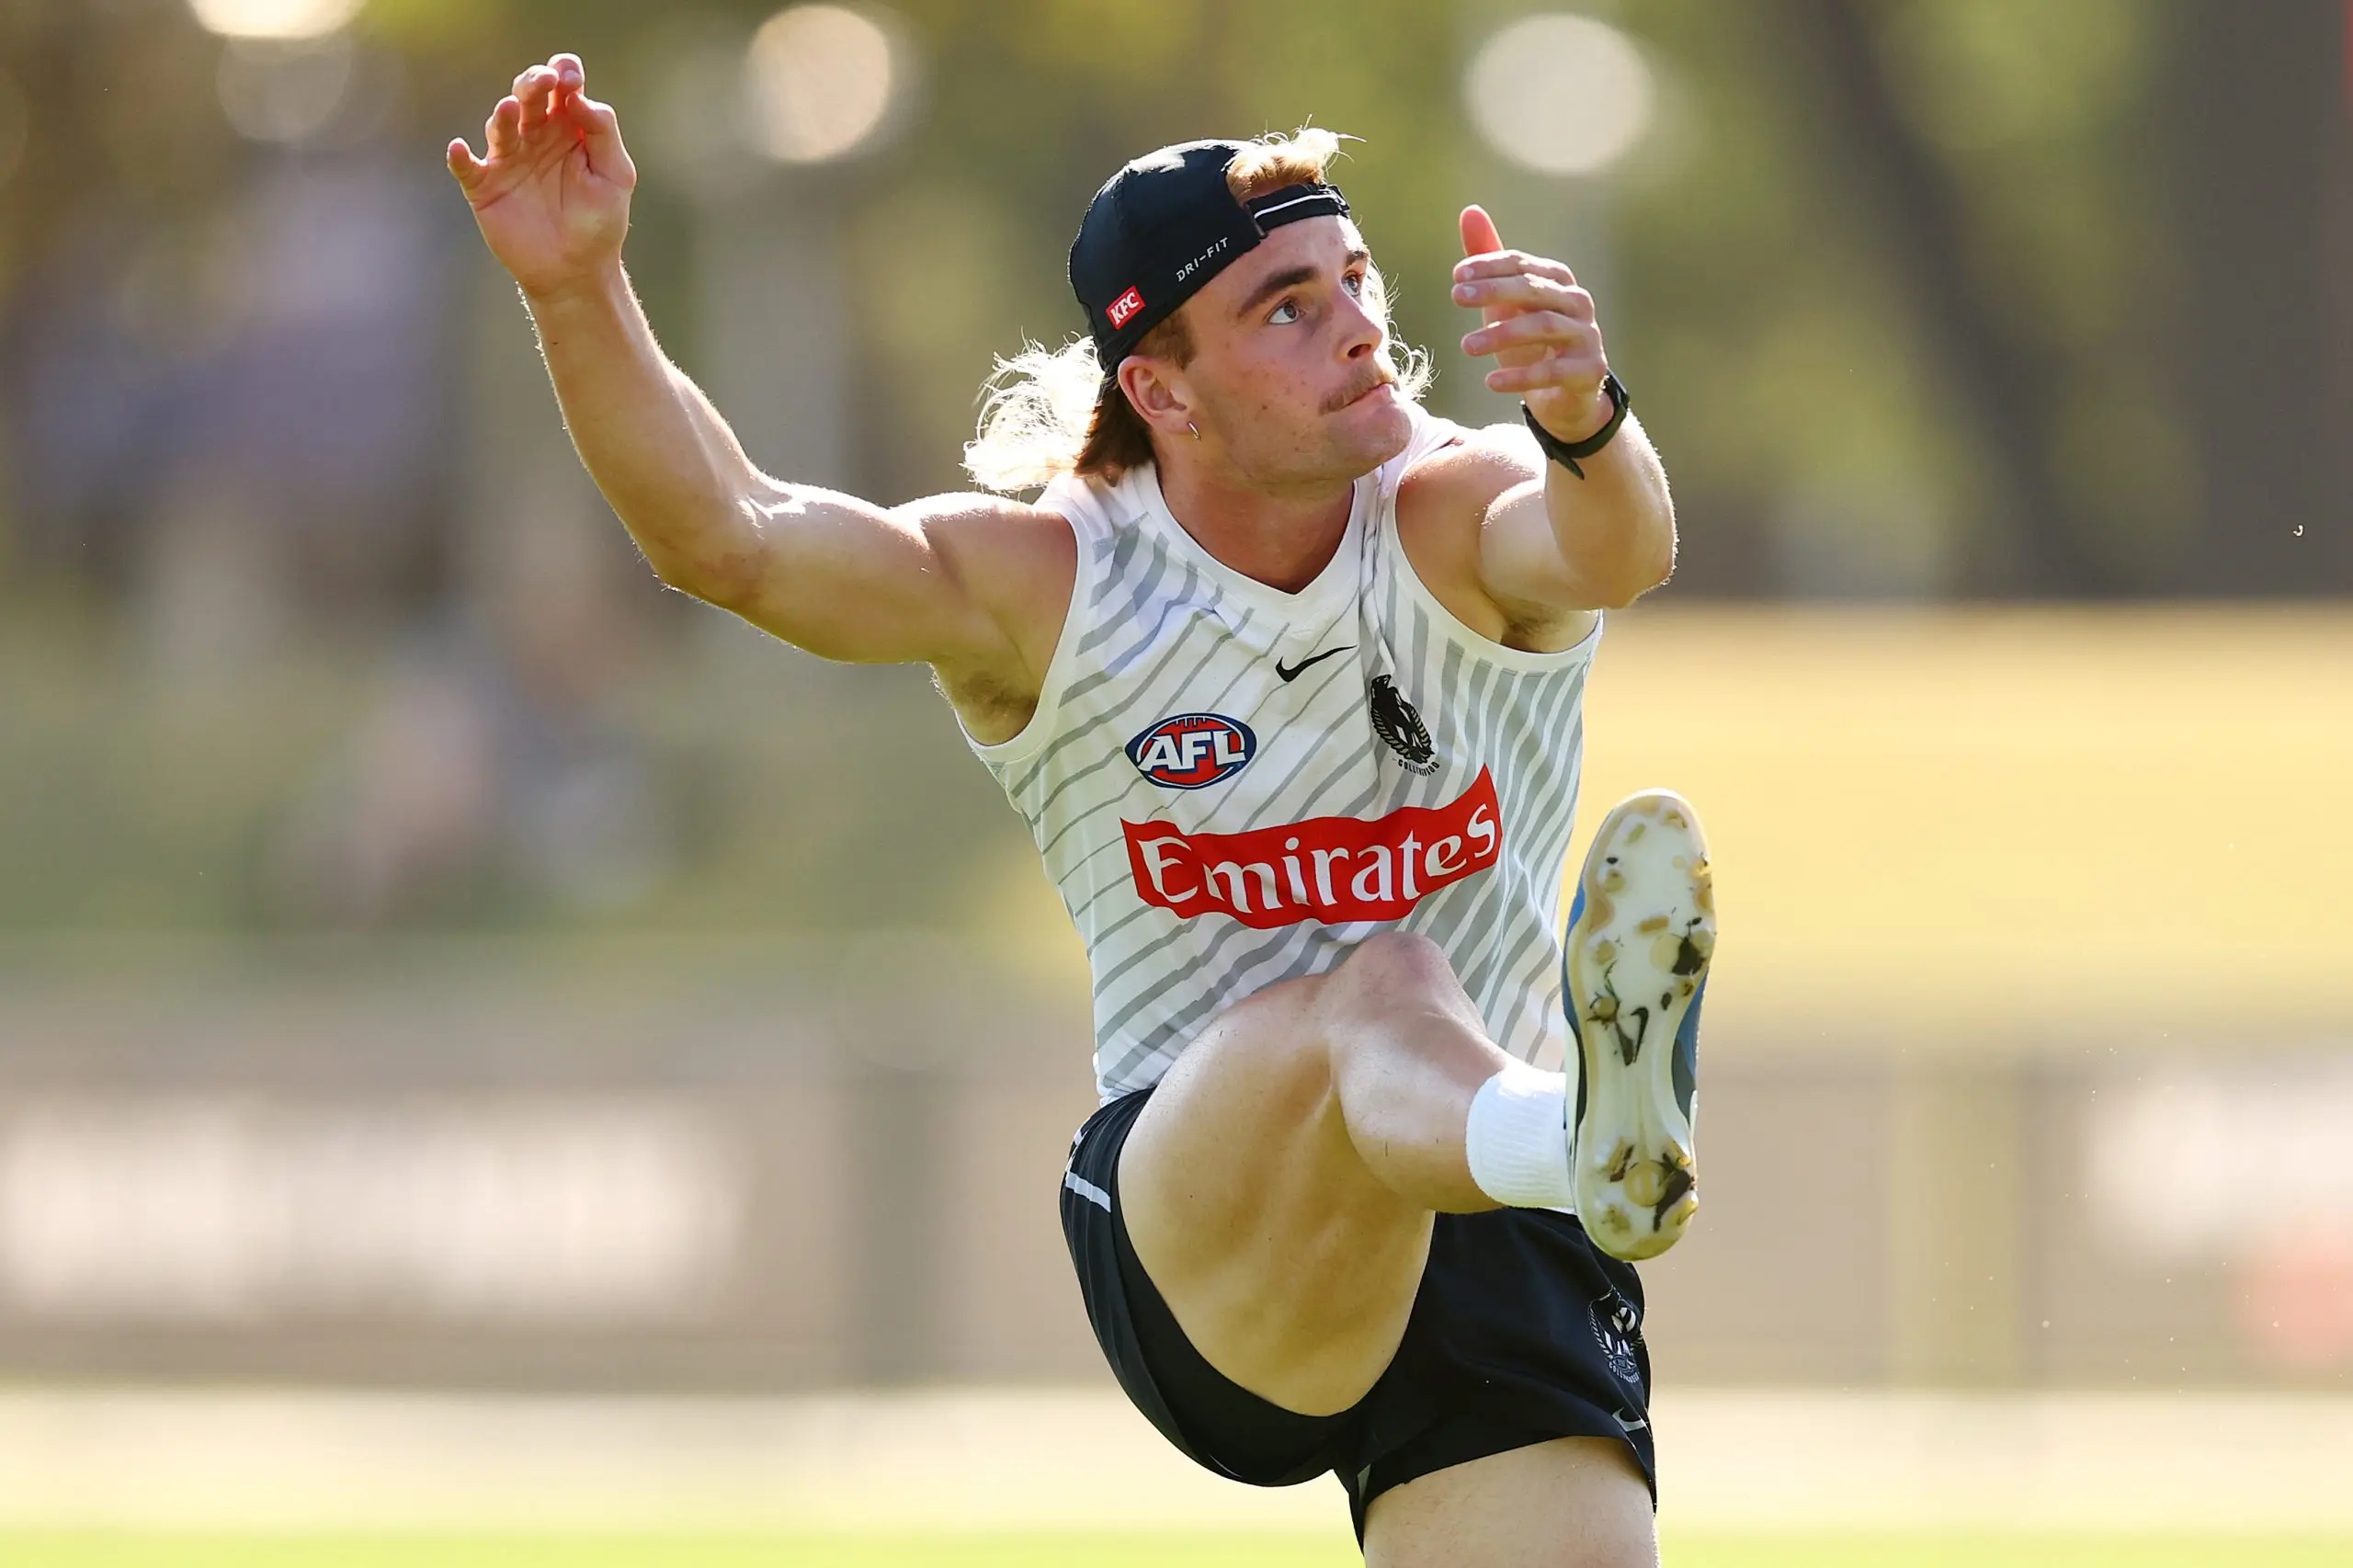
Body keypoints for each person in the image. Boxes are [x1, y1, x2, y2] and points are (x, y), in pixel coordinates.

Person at [448, 53, 1714, 1568]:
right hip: (1207, 1226)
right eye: (1288, 309)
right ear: (1160, 388)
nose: (1364, 329)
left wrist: (1584, 412)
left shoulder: (1448, 507)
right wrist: (575, 285)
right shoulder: (1052, 583)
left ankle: (1562, 1143)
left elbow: (1616, 546)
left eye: (1355, 278)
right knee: (1383, 983)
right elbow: (730, 540)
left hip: (1485, 1214)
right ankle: (1583, 1131)